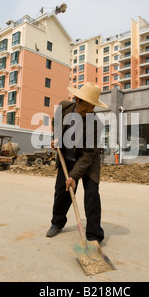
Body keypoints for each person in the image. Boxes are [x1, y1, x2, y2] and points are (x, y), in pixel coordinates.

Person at [46, 82, 109, 244]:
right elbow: (56, 122)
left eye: (92, 108)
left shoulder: (96, 124)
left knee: (92, 194)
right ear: (77, 100)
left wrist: (74, 176)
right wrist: (56, 138)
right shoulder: (64, 107)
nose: (89, 111)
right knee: (61, 191)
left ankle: (94, 235)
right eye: (86, 106)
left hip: (87, 160)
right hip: (66, 158)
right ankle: (57, 223)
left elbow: (88, 154)